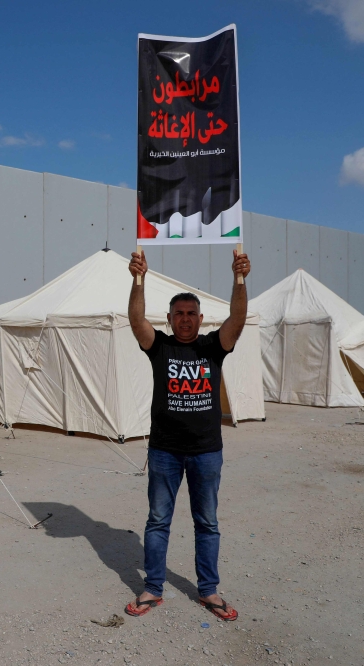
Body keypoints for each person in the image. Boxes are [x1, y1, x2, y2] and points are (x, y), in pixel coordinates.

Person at [124, 248, 250, 621]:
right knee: (158, 521)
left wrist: (239, 278)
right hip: (164, 450)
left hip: (206, 452)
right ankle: (153, 588)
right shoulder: (158, 347)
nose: (184, 319)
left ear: (200, 318)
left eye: (191, 314)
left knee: (207, 523)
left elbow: (238, 319)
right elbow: (135, 320)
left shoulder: (213, 346)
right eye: (178, 314)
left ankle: (208, 591)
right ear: (169, 318)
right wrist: (138, 278)